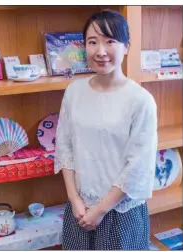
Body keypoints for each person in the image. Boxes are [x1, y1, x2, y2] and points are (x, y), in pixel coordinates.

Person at [54, 9, 158, 250]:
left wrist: (99, 210)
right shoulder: (74, 92)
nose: (100, 51)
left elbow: (138, 167)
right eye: (93, 42)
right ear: (85, 47)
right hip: (79, 210)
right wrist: (75, 200)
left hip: (120, 213)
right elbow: (65, 146)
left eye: (110, 41)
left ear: (126, 47)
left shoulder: (140, 100)